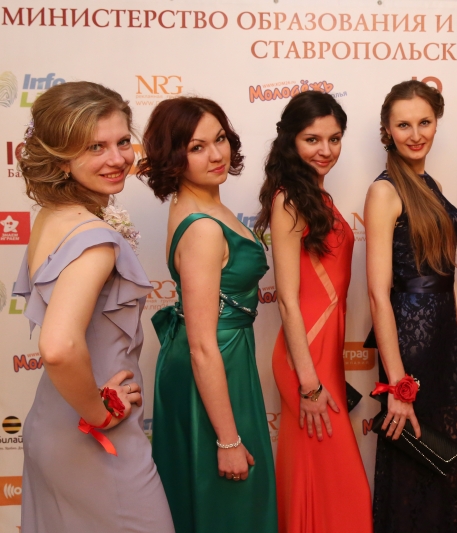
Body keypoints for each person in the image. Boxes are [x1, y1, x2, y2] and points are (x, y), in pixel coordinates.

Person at [13, 81, 174, 532]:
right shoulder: (94, 238)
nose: (117, 158)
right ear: (61, 157)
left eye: (122, 142)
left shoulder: (53, 216)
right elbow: (58, 346)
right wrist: (99, 413)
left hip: (53, 422)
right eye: (95, 147)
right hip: (92, 435)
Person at [139, 97, 278, 533]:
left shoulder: (199, 204)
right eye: (196, 147)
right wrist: (228, 440)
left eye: (219, 139)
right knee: (228, 502)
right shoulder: (202, 227)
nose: (216, 154)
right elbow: (202, 345)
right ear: (173, 157)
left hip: (220, 357)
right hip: (214, 361)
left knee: (215, 503)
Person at [255, 90, 372, 533]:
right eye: (312, 139)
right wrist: (308, 384)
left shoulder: (316, 195)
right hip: (305, 358)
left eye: (334, 139)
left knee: (320, 479)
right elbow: (287, 299)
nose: (326, 150)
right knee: (342, 485)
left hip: (324, 351)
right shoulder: (288, 200)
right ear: (290, 140)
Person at [364, 79, 457, 532]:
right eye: (403, 125)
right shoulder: (385, 191)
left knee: (443, 466)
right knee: (414, 463)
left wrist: (456, 357)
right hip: (409, 345)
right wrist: (398, 384)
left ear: (436, 123)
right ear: (387, 131)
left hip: (441, 338)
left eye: (424, 122)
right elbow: (378, 293)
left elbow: (443, 278)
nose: (415, 134)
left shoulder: (431, 184)